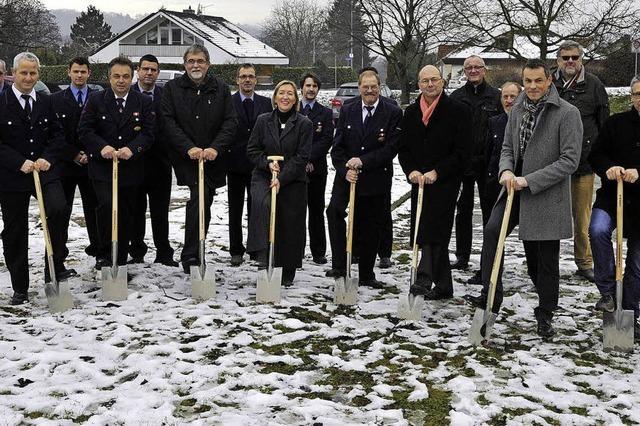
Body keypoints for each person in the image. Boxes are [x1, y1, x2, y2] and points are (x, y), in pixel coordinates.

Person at [466, 59, 582, 338]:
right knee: (493, 231)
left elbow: (569, 161)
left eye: (538, 81)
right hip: (513, 189)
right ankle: (492, 294)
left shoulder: (567, 113)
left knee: (542, 258)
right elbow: (507, 146)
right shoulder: (517, 108)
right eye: (527, 81)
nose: (532, 86)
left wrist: (529, 180)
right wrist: (506, 170)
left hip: (544, 193)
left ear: (549, 80)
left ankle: (545, 312)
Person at [0, 52, 69, 305]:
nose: (28, 77)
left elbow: (57, 135)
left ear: (38, 74)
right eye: (23, 73)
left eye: (33, 73)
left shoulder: (46, 102)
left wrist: (47, 157)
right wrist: (19, 162)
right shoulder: (2, 102)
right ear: (13, 74)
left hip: (44, 170)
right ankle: (20, 286)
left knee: (59, 209)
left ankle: (54, 267)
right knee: (15, 229)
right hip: (12, 176)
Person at [161, 44, 237, 274]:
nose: (196, 65)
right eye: (191, 61)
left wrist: (215, 148)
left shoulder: (221, 89)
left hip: (213, 159)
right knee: (199, 198)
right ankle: (191, 254)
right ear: (185, 64)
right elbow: (168, 121)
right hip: (186, 158)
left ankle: (195, 248)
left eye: (200, 61)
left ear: (208, 64)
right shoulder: (172, 89)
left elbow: (230, 122)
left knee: (204, 201)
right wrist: (188, 148)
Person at [398, 65, 471, 299]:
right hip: (419, 181)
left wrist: (438, 171)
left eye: (434, 80)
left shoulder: (458, 111)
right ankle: (444, 286)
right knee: (423, 225)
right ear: (418, 84)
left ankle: (424, 275)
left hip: (445, 181)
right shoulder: (410, 113)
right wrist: (411, 171)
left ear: (442, 82)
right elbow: (404, 148)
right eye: (425, 81)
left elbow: (463, 151)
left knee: (434, 227)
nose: (430, 85)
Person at [326, 70, 402, 288]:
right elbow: (337, 147)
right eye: (365, 87)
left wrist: (363, 161)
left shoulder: (392, 112)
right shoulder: (348, 109)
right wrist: (344, 169)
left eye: (373, 86)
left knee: (370, 224)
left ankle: (367, 274)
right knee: (334, 212)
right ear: (359, 88)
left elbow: (390, 149)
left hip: (375, 178)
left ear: (379, 86)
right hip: (347, 177)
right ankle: (340, 264)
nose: (369, 91)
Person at [78, 56, 155, 270]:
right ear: (109, 77)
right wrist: (101, 147)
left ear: (132, 77)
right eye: (116, 76)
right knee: (106, 208)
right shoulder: (95, 99)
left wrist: (133, 149)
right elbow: (84, 130)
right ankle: (103, 253)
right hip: (102, 169)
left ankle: (120, 258)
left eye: (126, 76)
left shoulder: (143, 102)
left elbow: (149, 134)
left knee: (125, 212)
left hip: (130, 169)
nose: (121, 81)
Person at [588, 75, 640, 340]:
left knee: (636, 264)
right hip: (612, 197)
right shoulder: (615, 124)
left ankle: (629, 314)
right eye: (638, 94)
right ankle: (608, 292)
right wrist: (608, 167)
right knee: (597, 231)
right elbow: (595, 154)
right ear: (631, 96)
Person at [553, 40, 610, 283]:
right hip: (554, 165)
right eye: (565, 58)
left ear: (581, 59)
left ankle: (584, 262)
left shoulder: (594, 85)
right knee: (552, 216)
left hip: (584, 164)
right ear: (558, 60)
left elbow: (603, 123)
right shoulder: (550, 83)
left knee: (582, 216)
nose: (570, 62)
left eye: (574, 57)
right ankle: (548, 263)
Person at [246, 80, 312, 286]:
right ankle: (264, 256)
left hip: (292, 178)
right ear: (274, 98)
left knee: (290, 218)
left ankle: (288, 267)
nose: (285, 97)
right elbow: (252, 150)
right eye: (281, 93)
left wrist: (282, 178)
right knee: (263, 204)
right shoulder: (262, 120)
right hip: (264, 175)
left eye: (290, 94)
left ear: (295, 99)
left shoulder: (304, 124)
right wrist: (267, 164)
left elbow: (302, 157)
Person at [467, 81, 522, 285]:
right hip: (494, 186)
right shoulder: (495, 122)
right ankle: (488, 275)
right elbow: (488, 154)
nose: (508, 101)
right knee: (491, 231)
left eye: (513, 97)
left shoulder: (528, 123)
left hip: (521, 187)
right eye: (505, 97)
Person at [450, 55, 502, 270]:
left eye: (477, 67)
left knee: (490, 213)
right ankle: (462, 257)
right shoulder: (456, 97)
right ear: (464, 71)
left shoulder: (496, 97)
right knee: (463, 211)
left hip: (488, 164)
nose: (473, 71)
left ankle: (488, 261)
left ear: (484, 70)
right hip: (463, 163)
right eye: (469, 68)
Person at [128, 54, 178, 267]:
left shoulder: (165, 95)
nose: (149, 73)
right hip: (134, 163)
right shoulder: (127, 94)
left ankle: (164, 252)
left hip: (160, 163)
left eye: (153, 70)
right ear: (138, 70)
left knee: (160, 211)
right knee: (135, 209)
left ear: (158, 73)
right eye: (145, 69)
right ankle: (136, 250)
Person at [51, 57, 100, 266]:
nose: (79, 75)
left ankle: (100, 252)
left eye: (83, 71)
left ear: (89, 73)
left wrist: (90, 152)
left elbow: (100, 130)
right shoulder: (55, 100)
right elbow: (54, 133)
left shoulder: (98, 98)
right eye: (76, 71)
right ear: (68, 72)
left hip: (92, 164)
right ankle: (58, 257)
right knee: (62, 212)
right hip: (65, 165)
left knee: (95, 210)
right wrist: (73, 154)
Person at [226, 63, 272, 266]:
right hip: (235, 164)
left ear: (255, 80)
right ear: (237, 79)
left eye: (251, 76)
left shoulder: (265, 103)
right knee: (235, 210)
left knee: (257, 209)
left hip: (259, 166)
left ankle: (256, 248)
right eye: (243, 76)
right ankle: (236, 249)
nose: (247, 80)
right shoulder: (228, 102)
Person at [299, 73, 333, 265]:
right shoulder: (293, 109)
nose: (311, 89)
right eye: (307, 85)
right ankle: (297, 249)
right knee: (296, 211)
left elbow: (327, 139)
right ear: (302, 88)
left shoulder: (325, 113)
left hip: (317, 169)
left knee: (316, 210)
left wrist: (310, 158)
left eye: (314, 86)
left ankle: (319, 251)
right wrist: (301, 161)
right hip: (295, 169)